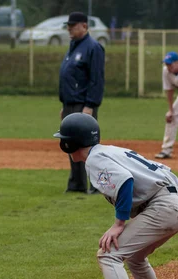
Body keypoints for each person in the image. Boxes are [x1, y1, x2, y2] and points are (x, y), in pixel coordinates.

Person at [53, 112, 178, 279]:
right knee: (135, 256)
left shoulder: (95, 159)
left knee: (109, 254)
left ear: (70, 144)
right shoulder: (107, 151)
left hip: (163, 207)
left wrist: (119, 224)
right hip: (173, 204)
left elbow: (125, 180)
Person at [59, 12, 105, 194]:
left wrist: (90, 105)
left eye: (73, 25)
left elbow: (96, 80)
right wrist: (64, 104)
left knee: (88, 147)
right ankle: (77, 184)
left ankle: (97, 185)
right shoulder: (74, 46)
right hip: (71, 103)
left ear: (84, 26)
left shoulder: (93, 48)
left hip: (83, 105)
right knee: (72, 145)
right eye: (69, 25)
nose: (69, 28)